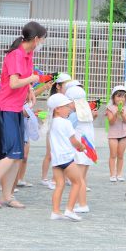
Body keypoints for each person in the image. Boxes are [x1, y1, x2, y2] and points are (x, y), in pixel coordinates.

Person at [0, 21, 46, 209]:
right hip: (5, 108)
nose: (42, 44)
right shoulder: (15, 55)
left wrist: (30, 88)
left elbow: (23, 81)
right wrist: (31, 80)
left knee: (18, 154)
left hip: (16, 108)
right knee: (13, 152)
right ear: (37, 39)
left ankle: (7, 195)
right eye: (42, 40)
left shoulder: (28, 54)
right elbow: (14, 83)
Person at [47, 93, 84, 221]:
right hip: (67, 158)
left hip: (56, 160)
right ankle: (69, 210)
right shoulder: (66, 123)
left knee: (59, 185)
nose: (69, 109)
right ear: (57, 108)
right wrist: (81, 147)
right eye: (66, 106)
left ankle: (55, 211)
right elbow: (74, 141)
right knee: (77, 182)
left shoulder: (51, 123)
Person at [66, 85, 97, 213]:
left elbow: (68, 131)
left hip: (81, 150)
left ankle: (83, 204)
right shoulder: (86, 113)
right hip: (88, 149)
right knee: (81, 178)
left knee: (78, 179)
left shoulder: (74, 115)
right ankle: (81, 203)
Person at [42, 72, 72, 189]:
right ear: (58, 86)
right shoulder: (54, 98)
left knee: (64, 153)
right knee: (50, 154)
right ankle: (45, 178)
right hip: (52, 128)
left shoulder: (68, 98)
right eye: (66, 85)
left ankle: (64, 176)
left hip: (63, 128)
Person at [105, 86, 126, 182]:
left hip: (123, 134)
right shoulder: (110, 108)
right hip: (113, 134)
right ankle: (112, 174)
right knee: (113, 155)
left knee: (121, 155)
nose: (120, 99)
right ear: (113, 98)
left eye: (123, 97)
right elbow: (111, 122)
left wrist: (122, 114)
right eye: (118, 96)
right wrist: (116, 114)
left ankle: (119, 174)